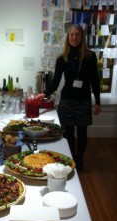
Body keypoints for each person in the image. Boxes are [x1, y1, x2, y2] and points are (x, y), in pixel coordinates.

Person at [44, 25, 101, 171]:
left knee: (82, 133)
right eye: (71, 35)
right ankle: (70, 157)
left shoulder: (90, 56)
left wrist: (98, 102)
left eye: (77, 35)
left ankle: (79, 159)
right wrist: (43, 94)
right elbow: (56, 82)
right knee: (68, 133)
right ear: (67, 37)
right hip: (67, 101)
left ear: (82, 37)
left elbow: (95, 80)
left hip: (83, 100)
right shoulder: (62, 58)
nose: (74, 38)